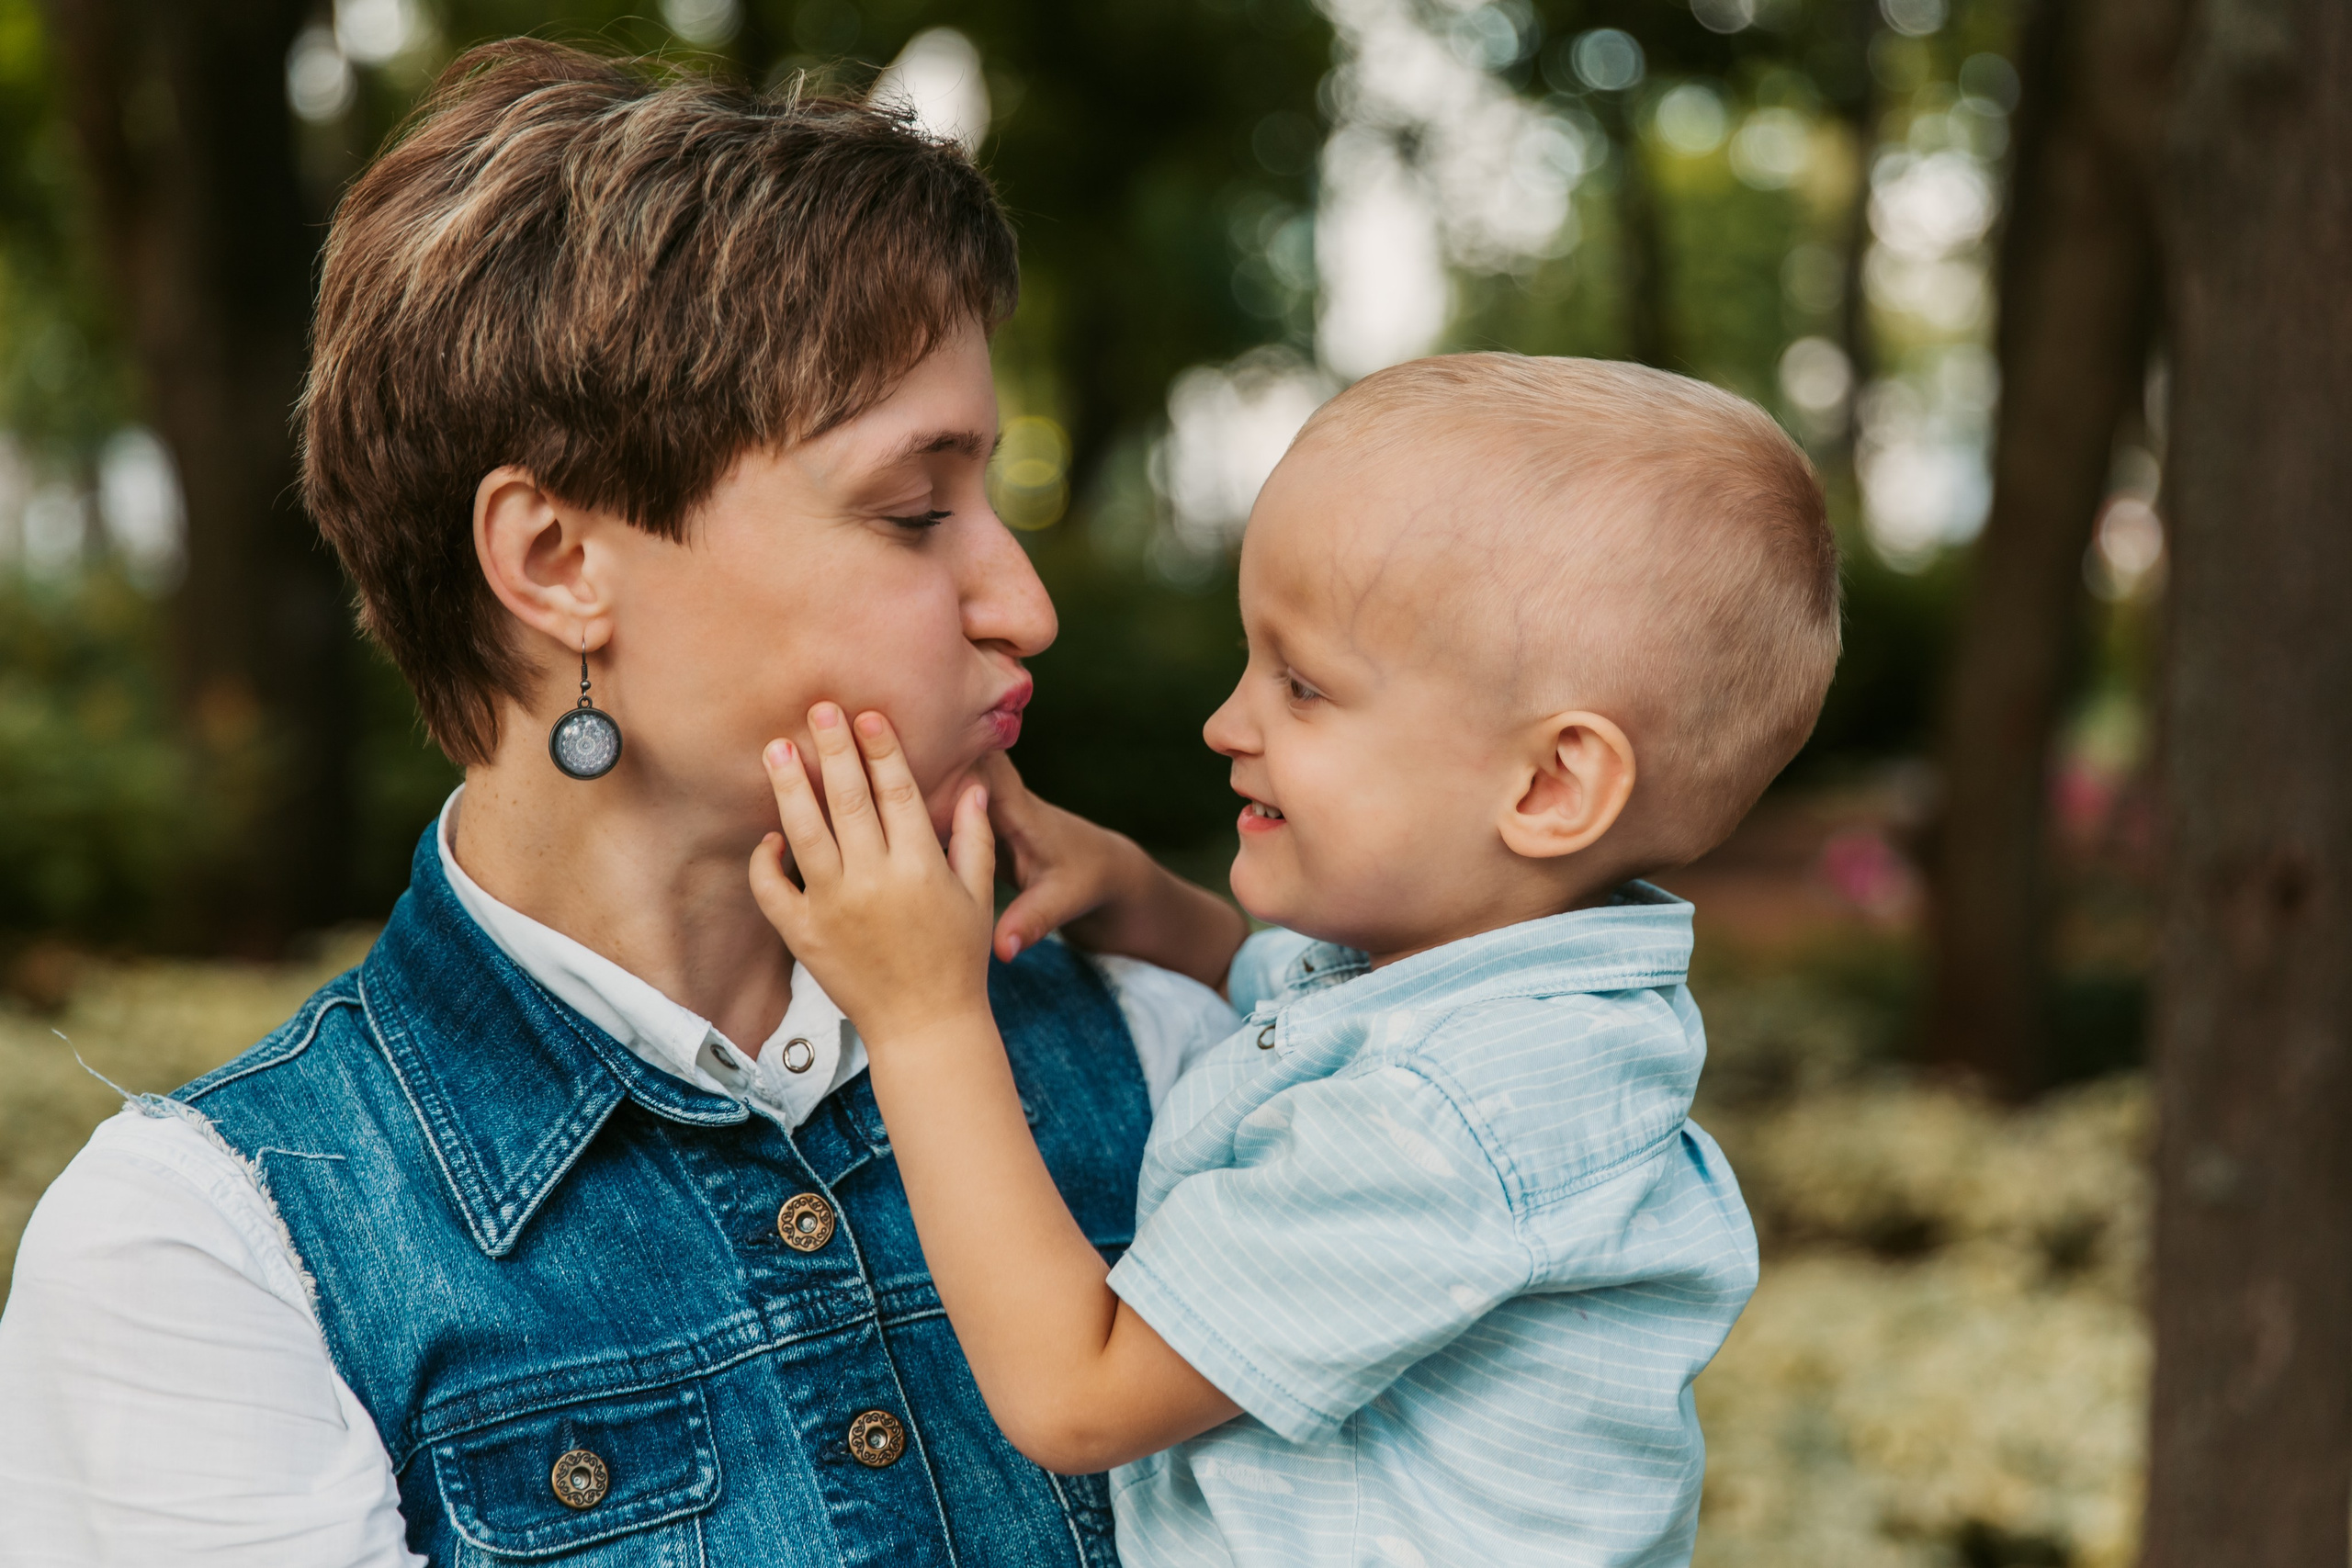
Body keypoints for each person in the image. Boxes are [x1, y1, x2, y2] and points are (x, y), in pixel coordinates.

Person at [0, 40, 1247, 1566]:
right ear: (556, 565)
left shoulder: (1162, 1051)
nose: (1023, 604)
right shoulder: (208, 1259)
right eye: (914, 511)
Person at [745, 353, 1841, 1566]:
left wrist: (923, 1016)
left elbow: (1075, 1395)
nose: (1228, 723)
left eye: (1304, 686)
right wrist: (1137, 894)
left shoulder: (1450, 1122)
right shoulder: (1487, 998)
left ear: (1549, 784)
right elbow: (1272, 993)